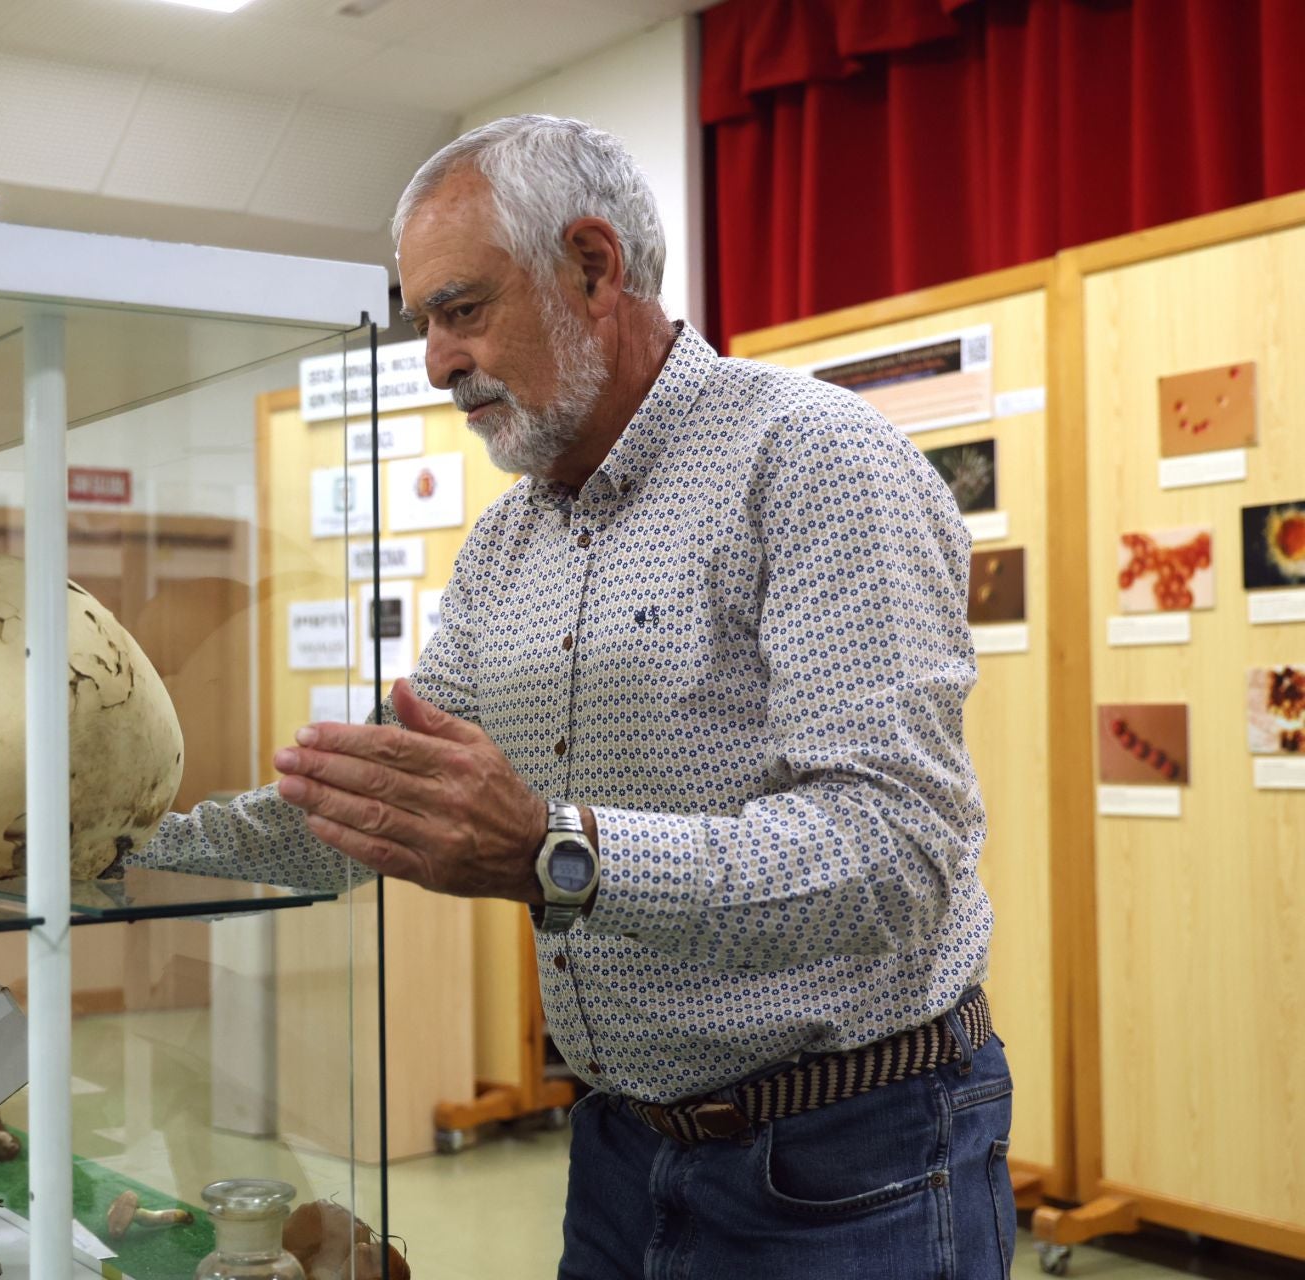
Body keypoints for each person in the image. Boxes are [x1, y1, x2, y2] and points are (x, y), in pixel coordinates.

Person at [134, 114, 1011, 1279]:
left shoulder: (816, 462)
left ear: (593, 268)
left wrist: (562, 851)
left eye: (461, 310)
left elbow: (896, 852)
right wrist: (104, 845)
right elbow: (377, 804)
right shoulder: (506, 543)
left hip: (849, 1164)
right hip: (619, 1148)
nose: (437, 361)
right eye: (424, 324)